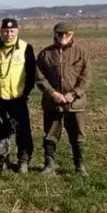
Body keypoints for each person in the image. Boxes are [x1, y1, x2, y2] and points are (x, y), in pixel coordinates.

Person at [35, 21, 92, 175]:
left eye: (67, 34)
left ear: (72, 34)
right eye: (60, 34)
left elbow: (86, 77)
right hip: (52, 103)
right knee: (50, 135)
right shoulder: (45, 54)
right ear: (54, 34)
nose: (63, 37)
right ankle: (49, 165)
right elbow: (40, 78)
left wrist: (73, 94)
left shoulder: (80, 52)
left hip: (75, 103)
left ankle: (80, 166)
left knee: (77, 136)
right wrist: (53, 93)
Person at [0, 18, 37, 173]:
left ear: (17, 31)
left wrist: (25, 93)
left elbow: (31, 74)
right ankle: (1, 160)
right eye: (5, 31)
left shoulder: (26, 48)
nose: (8, 34)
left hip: (17, 99)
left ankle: (23, 160)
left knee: (23, 130)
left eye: (12, 31)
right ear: (0, 31)